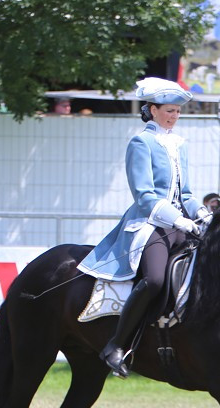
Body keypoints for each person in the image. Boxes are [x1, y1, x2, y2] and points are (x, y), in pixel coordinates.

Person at [78, 77, 205, 378]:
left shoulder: (179, 145)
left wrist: (203, 214)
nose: (174, 117)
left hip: (181, 224)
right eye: (169, 111)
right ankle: (116, 345)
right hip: (150, 225)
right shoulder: (141, 143)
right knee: (156, 280)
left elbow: (184, 193)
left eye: (177, 112)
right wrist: (178, 219)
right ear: (152, 110)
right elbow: (144, 195)